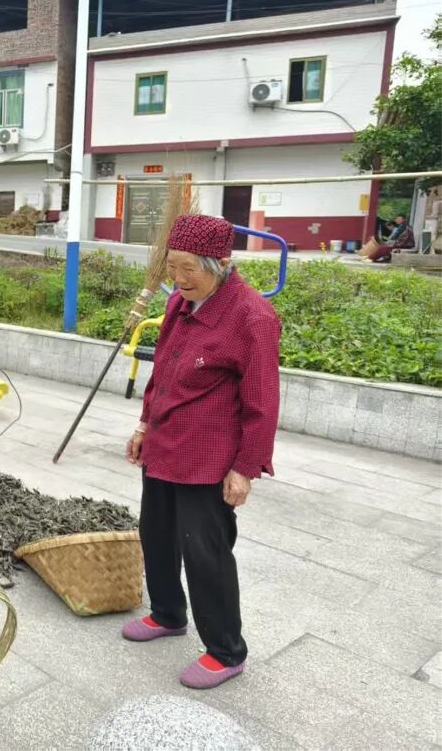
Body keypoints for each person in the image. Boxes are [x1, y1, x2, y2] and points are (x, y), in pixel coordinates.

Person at [121, 215, 281, 690]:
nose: (179, 278)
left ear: (221, 264)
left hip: (209, 456)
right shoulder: (179, 302)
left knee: (206, 553)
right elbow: (163, 371)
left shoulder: (251, 317)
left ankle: (226, 650)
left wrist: (245, 469)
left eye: (189, 268)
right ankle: (168, 613)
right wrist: (145, 424)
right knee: (157, 535)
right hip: (166, 444)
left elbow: (262, 401)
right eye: (173, 266)